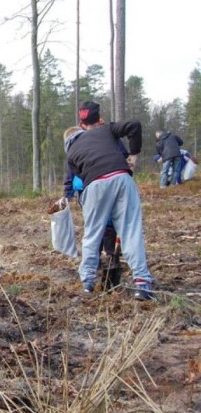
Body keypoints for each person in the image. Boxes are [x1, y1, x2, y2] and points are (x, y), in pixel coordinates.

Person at [64, 101, 154, 301]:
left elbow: (80, 177)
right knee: (130, 231)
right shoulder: (107, 130)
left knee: (92, 234)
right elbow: (134, 125)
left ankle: (87, 284)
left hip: (94, 185)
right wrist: (133, 154)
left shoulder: (71, 152)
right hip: (122, 178)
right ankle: (142, 283)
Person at [62, 126, 124, 291]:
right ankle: (96, 260)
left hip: (100, 186)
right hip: (88, 191)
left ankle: (110, 256)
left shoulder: (81, 148)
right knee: (98, 226)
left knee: (103, 226)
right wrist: (67, 194)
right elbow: (69, 176)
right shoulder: (76, 153)